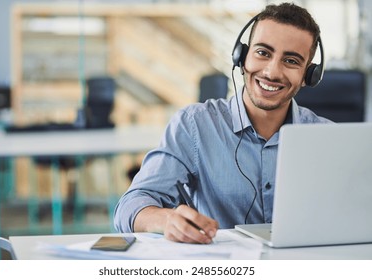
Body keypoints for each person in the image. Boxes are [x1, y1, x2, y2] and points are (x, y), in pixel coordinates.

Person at [114, 2, 332, 244]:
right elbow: (130, 206)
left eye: (291, 61)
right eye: (263, 53)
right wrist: (166, 220)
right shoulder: (195, 125)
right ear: (242, 56)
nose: (272, 72)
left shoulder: (328, 138)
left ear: (308, 76)